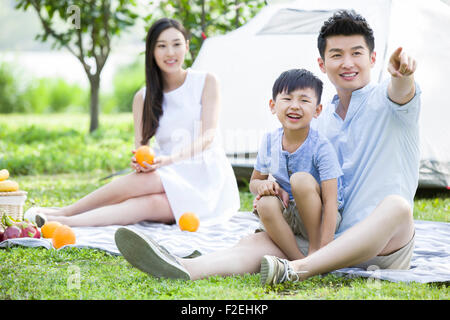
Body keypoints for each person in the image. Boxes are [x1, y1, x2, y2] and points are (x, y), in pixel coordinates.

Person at [114, 10, 420, 285]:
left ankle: (299, 270)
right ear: (322, 64)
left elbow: (402, 89)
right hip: (327, 240)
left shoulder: (389, 101)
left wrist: (404, 73)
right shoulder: (318, 121)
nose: (348, 63)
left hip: (384, 247)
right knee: (254, 242)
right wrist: (271, 189)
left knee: (398, 207)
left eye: (357, 53)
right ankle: (183, 266)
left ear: (373, 58)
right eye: (337, 54)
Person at [27, 18, 240, 228]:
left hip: (205, 177)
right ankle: (64, 220)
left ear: (186, 45)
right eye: (162, 46)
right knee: (150, 201)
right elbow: (141, 147)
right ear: (152, 52)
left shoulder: (206, 81)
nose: (170, 53)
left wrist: (167, 160)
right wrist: (140, 161)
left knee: (151, 184)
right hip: (167, 173)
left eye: (176, 44)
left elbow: (208, 137)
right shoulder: (143, 97)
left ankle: (64, 213)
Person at [249, 69, 344, 261]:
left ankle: (316, 252)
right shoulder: (269, 141)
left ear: (317, 110)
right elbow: (253, 182)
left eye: (304, 100)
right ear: (273, 105)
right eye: (287, 99)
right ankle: (298, 261)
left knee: (300, 179)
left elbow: (331, 200)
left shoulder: (320, 146)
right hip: (289, 212)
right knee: (265, 202)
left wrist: (327, 248)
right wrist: (264, 185)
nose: (295, 106)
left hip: (320, 215)